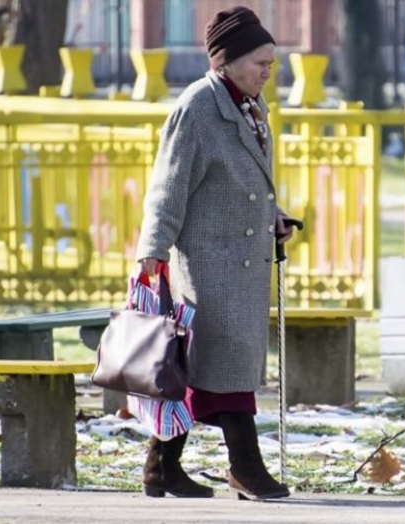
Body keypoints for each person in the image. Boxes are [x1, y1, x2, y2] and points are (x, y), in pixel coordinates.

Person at [135, 5, 295, 500]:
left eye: (272, 63)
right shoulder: (199, 107)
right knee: (218, 363)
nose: (269, 72)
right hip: (206, 262)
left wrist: (275, 218)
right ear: (226, 61)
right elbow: (169, 186)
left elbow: (249, 183)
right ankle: (246, 467)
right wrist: (152, 251)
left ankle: (161, 467)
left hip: (242, 258)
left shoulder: (251, 107)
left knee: (201, 367)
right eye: (260, 63)